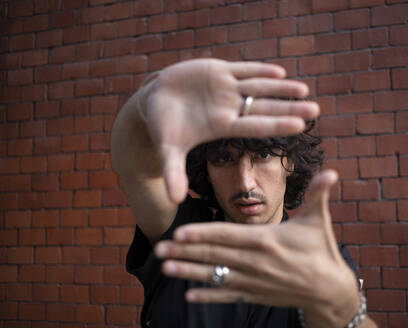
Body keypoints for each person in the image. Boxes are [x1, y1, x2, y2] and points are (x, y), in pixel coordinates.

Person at [110, 58, 377, 328]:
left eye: (262, 155)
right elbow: (137, 169)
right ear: (207, 169)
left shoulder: (322, 260)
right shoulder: (182, 235)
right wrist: (145, 105)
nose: (245, 183)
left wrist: (345, 310)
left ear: (290, 163)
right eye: (224, 159)